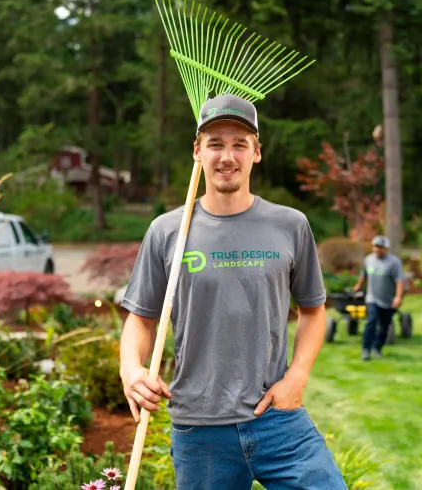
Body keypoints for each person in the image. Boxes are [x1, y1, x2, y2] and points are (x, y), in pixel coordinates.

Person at [119, 94, 346, 489]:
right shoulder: (168, 231)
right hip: (200, 429)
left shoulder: (290, 225)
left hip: (277, 419)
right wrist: (130, 368)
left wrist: (297, 377)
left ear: (257, 152)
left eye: (240, 144)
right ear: (198, 151)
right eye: (216, 144)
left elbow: (313, 309)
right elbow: (141, 318)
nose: (227, 156)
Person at [352, 235, 405, 361]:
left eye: (381, 247)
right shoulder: (368, 260)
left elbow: (399, 281)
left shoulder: (394, 262)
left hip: (388, 300)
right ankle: (366, 350)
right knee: (371, 321)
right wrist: (359, 285)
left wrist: (398, 297)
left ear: (386, 249)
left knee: (384, 326)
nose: (378, 250)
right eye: (376, 247)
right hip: (372, 298)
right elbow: (364, 275)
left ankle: (377, 348)